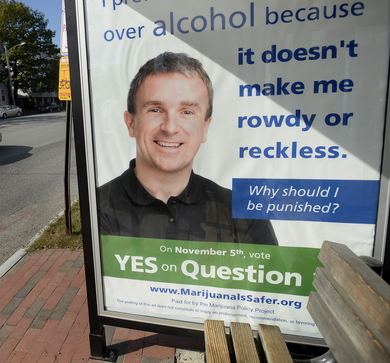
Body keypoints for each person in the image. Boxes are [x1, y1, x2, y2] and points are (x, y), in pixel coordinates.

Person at [97, 52, 277, 245]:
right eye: (155, 110)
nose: (170, 127)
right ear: (131, 123)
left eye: (187, 112)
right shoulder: (96, 207)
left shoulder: (246, 214)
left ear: (205, 127)